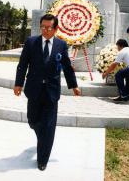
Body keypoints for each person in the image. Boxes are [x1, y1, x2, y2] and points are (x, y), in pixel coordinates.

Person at [14, 14, 81, 171]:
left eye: (48, 27)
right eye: (42, 27)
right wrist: (18, 83)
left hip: (51, 91)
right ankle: (42, 137)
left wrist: (74, 85)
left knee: (49, 126)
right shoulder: (31, 43)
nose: (45, 30)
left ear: (55, 29)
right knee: (32, 120)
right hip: (34, 89)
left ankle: (42, 159)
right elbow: (22, 64)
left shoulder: (61, 45)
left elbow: (66, 66)